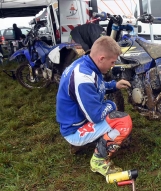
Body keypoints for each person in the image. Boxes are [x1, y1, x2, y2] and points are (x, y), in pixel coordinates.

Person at [56, 36, 132, 176]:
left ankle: (79, 146)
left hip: (74, 120)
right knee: (123, 121)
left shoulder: (86, 64)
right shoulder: (83, 78)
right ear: (101, 58)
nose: (112, 66)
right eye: (112, 62)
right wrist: (111, 104)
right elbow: (96, 116)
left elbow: (97, 87)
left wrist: (114, 85)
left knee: (108, 109)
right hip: (74, 130)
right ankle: (98, 160)